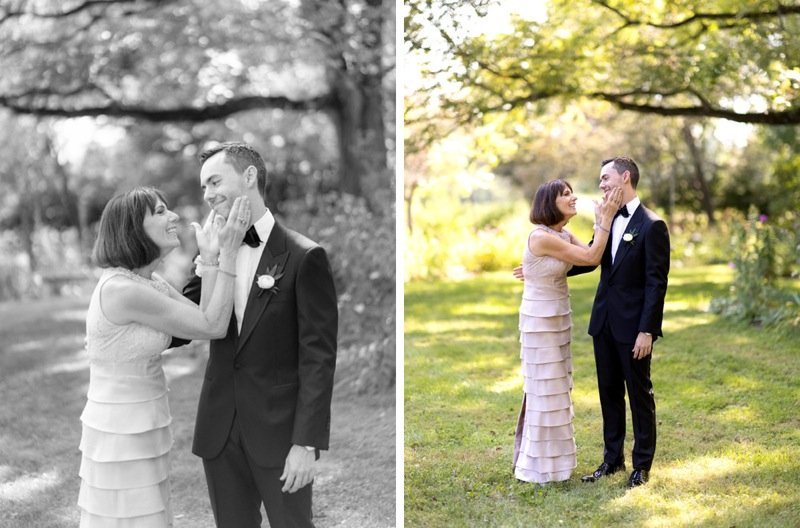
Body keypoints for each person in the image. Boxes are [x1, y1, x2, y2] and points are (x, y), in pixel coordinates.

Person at [175, 142, 338, 528]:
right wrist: (210, 259)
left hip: (280, 432)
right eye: (203, 187)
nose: (208, 194)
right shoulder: (211, 251)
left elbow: (318, 357)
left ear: (249, 177)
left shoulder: (304, 256)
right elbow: (184, 322)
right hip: (219, 430)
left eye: (215, 181)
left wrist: (306, 443)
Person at [78, 187, 250, 527]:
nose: (173, 217)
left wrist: (211, 257)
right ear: (132, 228)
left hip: (144, 423)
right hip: (121, 434)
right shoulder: (123, 291)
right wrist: (229, 254)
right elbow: (213, 325)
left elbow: (203, 316)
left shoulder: (147, 281)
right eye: (159, 211)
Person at [513, 179, 621, 484]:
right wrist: (606, 220)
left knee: (557, 391)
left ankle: (554, 466)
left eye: (572, 193)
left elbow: (588, 256)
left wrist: (602, 223)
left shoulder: (560, 234)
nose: (572, 198)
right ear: (550, 203)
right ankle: (537, 469)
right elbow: (590, 257)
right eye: (565, 195)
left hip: (559, 318)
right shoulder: (541, 237)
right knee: (546, 390)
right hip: (540, 320)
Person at [570, 156, 670, 488]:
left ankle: (641, 465)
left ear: (625, 178)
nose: (601, 185)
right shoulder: (607, 218)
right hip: (604, 322)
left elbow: (656, 284)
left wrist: (647, 330)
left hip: (634, 327)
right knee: (608, 393)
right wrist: (548, 265)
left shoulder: (653, 225)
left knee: (639, 393)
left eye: (605, 178)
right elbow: (590, 257)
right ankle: (612, 460)